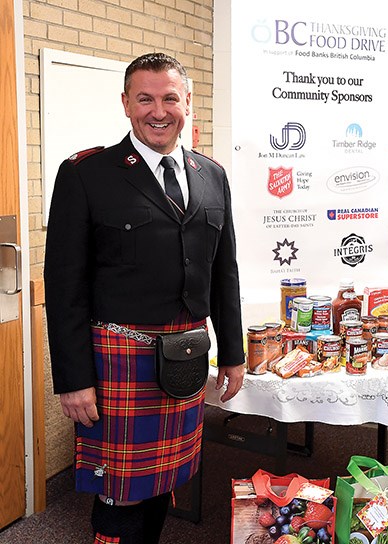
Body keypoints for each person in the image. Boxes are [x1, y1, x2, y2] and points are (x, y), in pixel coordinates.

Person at [44, 52, 246, 544]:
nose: (159, 111)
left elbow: (225, 273)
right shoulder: (86, 174)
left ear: (187, 103)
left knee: (163, 486)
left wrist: (234, 355)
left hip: (186, 358)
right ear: (126, 104)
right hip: (119, 362)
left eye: (170, 98)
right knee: (118, 494)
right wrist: (73, 380)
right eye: (145, 99)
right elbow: (64, 287)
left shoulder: (211, 174)